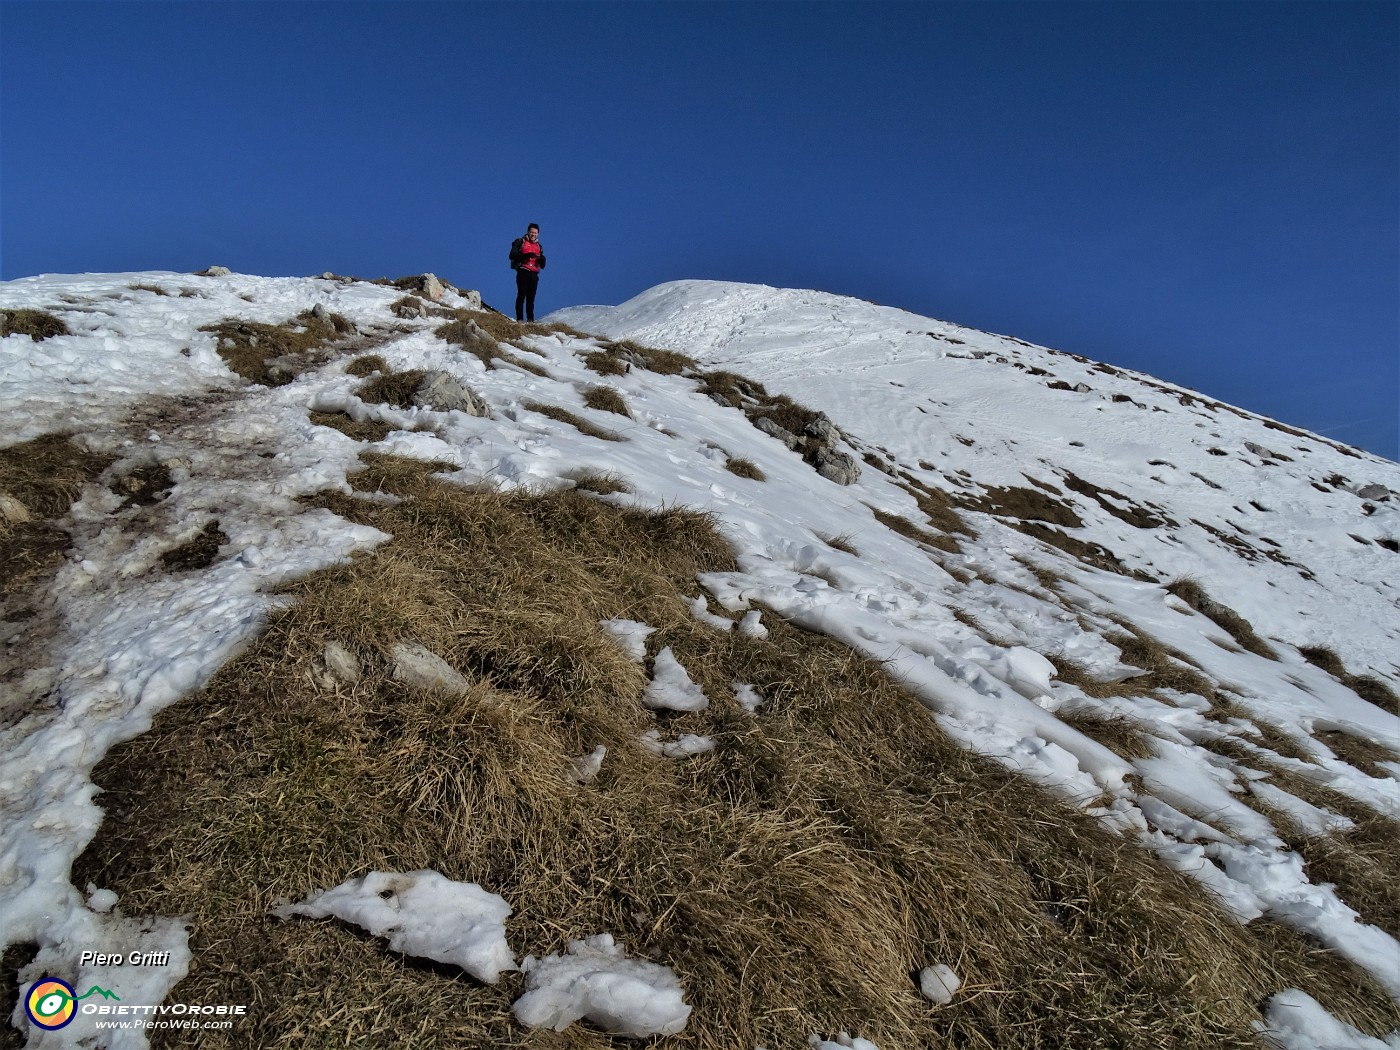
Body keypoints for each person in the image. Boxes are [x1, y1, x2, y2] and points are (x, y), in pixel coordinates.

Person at [509, 223, 546, 322]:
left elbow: (542, 266)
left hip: (534, 274)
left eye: (535, 233)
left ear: (538, 234)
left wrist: (542, 259)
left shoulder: (539, 246)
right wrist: (525, 255)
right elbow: (512, 255)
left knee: (531, 299)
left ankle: (530, 320)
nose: (533, 234)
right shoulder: (520, 241)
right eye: (532, 232)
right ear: (528, 232)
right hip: (523, 271)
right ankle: (520, 319)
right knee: (521, 295)